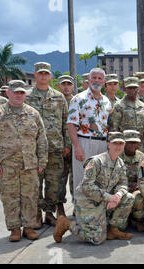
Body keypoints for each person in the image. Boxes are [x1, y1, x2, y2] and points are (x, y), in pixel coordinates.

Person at [0, 80, 48, 242]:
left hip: (30, 164)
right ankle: (14, 229)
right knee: (9, 197)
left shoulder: (33, 113)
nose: (19, 95)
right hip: (7, 165)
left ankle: (28, 227)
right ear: (8, 93)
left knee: (30, 196)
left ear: (25, 94)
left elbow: (42, 139)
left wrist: (42, 161)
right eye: (15, 92)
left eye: (21, 92)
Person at [54, 132, 134, 245]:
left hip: (103, 199)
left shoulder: (120, 163)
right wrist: (109, 197)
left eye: (121, 143)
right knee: (97, 239)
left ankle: (113, 230)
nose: (118, 146)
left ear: (124, 145)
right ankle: (67, 224)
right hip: (87, 201)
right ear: (108, 144)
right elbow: (87, 186)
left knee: (128, 197)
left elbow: (123, 184)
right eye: (115, 143)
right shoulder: (96, 161)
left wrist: (118, 195)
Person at [26, 62, 70, 227]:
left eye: (46, 73)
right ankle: (36, 213)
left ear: (50, 76)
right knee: (35, 183)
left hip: (55, 148)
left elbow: (66, 123)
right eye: (40, 73)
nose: (43, 76)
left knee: (54, 183)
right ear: (35, 75)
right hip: (34, 149)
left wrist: (67, 145)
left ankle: (50, 213)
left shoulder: (59, 97)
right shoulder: (28, 97)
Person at [67, 68, 112, 191]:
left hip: (102, 143)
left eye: (99, 78)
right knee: (82, 178)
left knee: (99, 178)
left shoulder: (107, 101)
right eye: (94, 78)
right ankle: (79, 209)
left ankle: (97, 210)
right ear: (89, 79)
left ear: (104, 82)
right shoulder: (78, 99)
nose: (96, 80)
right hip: (84, 142)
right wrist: (77, 147)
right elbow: (71, 124)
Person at [109, 77, 144, 152]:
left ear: (138, 88)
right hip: (125, 143)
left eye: (134, 88)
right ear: (125, 89)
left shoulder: (142, 105)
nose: (132, 90)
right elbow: (114, 127)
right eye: (129, 88)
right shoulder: (119, 105)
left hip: (140, 144)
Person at [57, 75, 76, 217]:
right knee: (59, 179)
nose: (66, 87)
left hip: (77, 147)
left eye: (69, 84)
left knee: (76, 178)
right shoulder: (55, 100)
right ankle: (59, 207)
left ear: (73, 87)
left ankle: (77, 205)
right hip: (60, 148)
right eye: (63, 84)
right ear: (59, 86)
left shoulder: (78, 101)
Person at [121, 130, 144, 232]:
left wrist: (138, 185)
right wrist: (126, 187)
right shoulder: (117, 156)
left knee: (138, 197)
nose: (133, 145)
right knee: (120, 227)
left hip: (137, 187)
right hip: (121, 188)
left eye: (135, 142)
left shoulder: (143, 157)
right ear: (124, 143)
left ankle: (138, 220)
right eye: (130, 142)